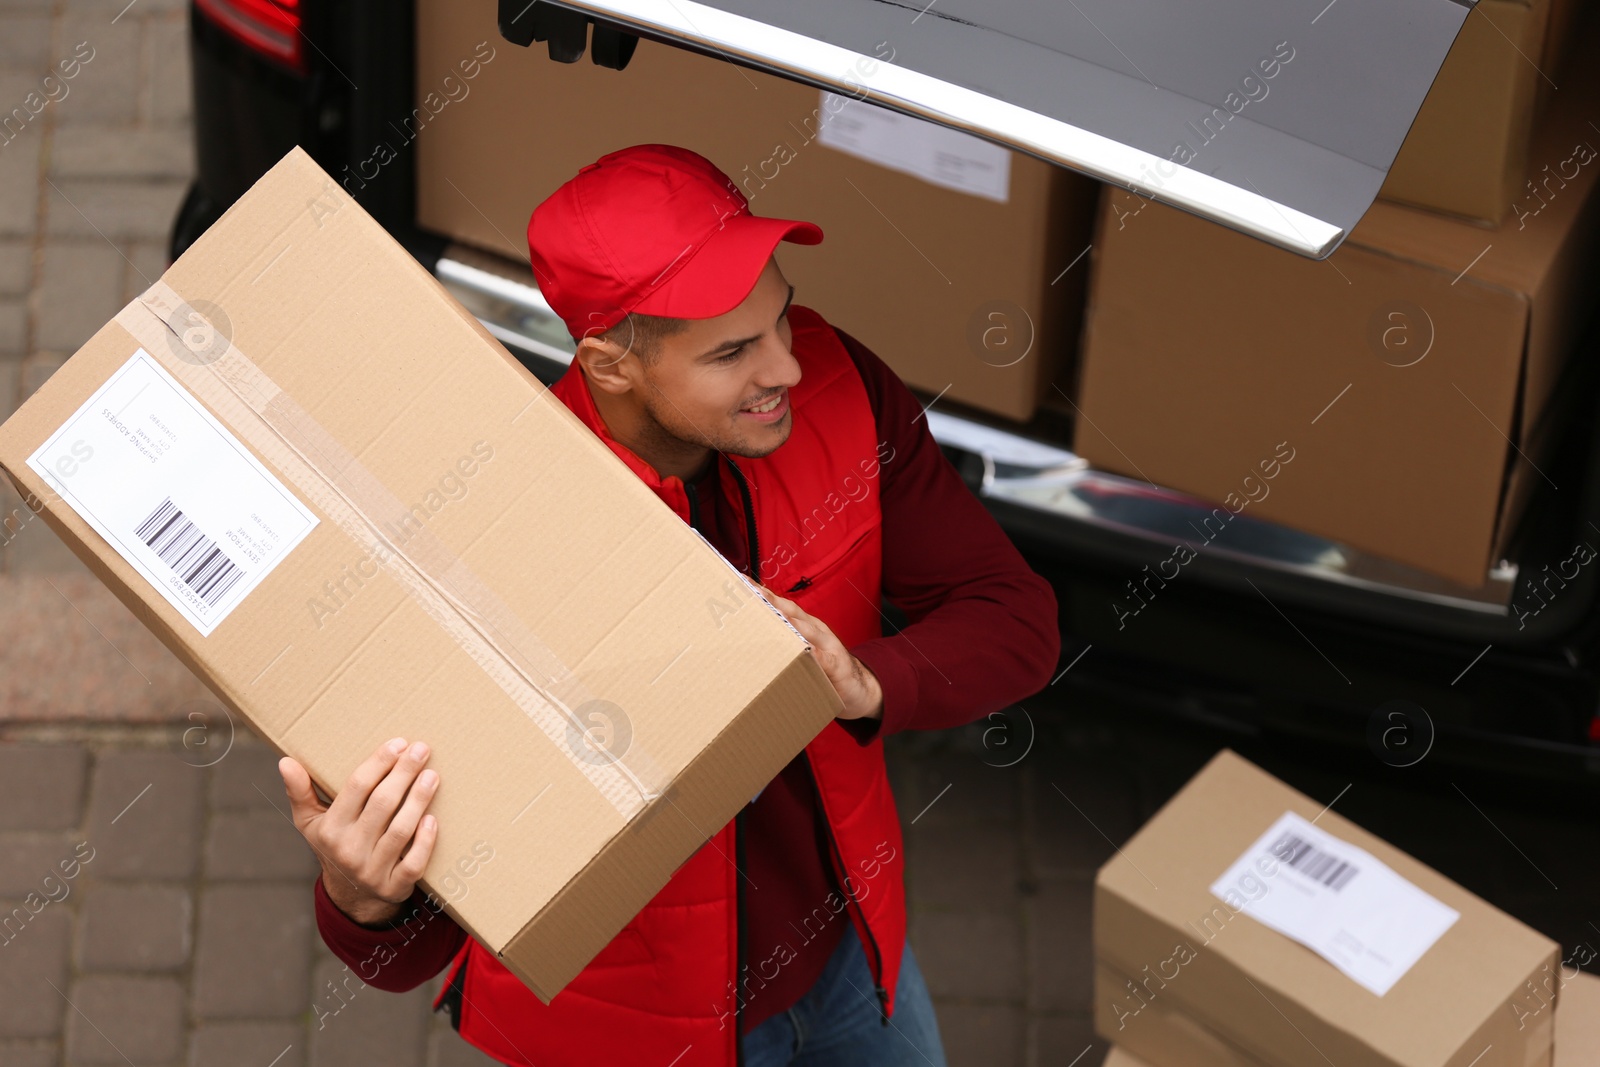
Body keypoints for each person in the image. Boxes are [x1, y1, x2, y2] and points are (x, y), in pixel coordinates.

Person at [279, 143, 1060, 1067]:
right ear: (612, 364)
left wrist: (870, 679)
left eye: (782, 316)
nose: (789, 369)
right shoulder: (492, 537)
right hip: (636, 1037)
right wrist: (362, 897)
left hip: (849, 959)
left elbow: (1017, 621)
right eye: (733, 351)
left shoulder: (846, 388)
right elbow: (422, 948)